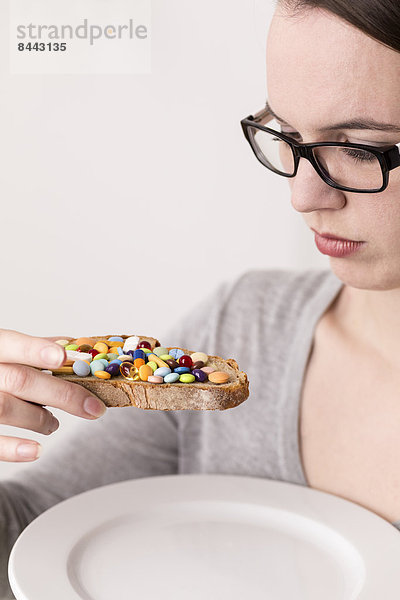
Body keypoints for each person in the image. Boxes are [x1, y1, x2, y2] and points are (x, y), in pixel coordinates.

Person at [1, 0, 400, 596]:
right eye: (287, 135)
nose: (303, 196)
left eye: (362, 149)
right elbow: (25, 538)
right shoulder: (247, 328)